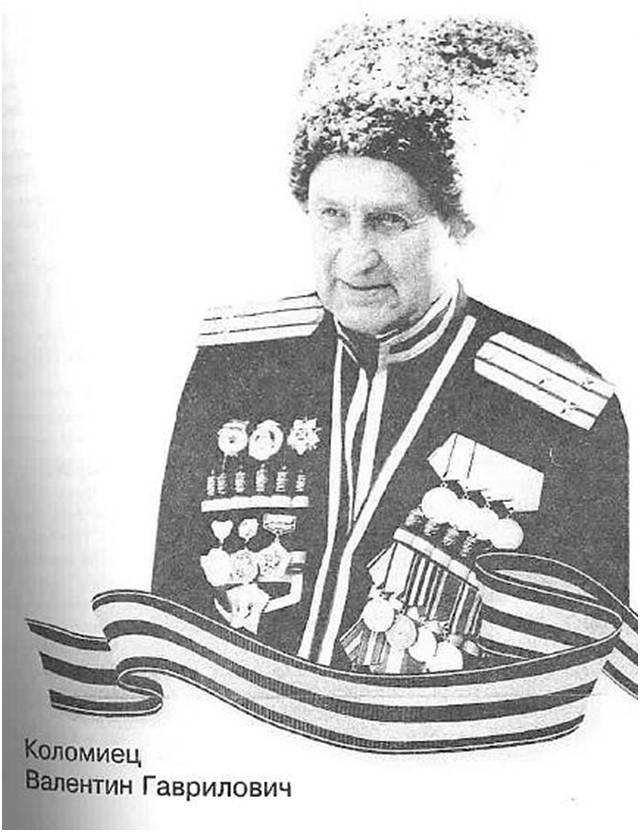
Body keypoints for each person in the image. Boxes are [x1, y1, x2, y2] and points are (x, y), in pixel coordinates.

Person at [152, 17, 629, 675]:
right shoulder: (234, 368)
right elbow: (172, 626)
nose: (355, 257)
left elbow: (583, 681)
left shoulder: (560, 411)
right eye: (331, 215)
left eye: (387, 221)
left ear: (457, 223)